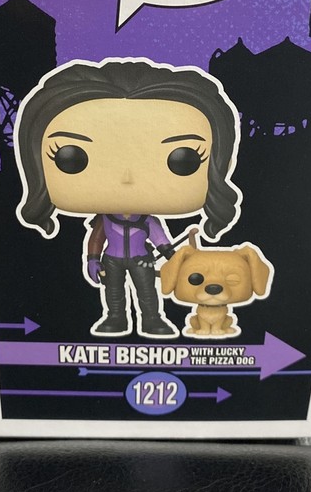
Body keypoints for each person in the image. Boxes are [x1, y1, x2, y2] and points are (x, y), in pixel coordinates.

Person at [15, 58, 242, 337]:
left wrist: (172, 257)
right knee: (113, 293)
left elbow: (160, 239)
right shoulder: (105, 219)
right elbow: (96, 238)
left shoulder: (146, 219)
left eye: (183, 159)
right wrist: (92, 259)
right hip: (111, 259)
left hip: (142, 259)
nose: (126, 179)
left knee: (146, 292)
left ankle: (152, 320)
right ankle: (115, 319)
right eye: (71, 157)